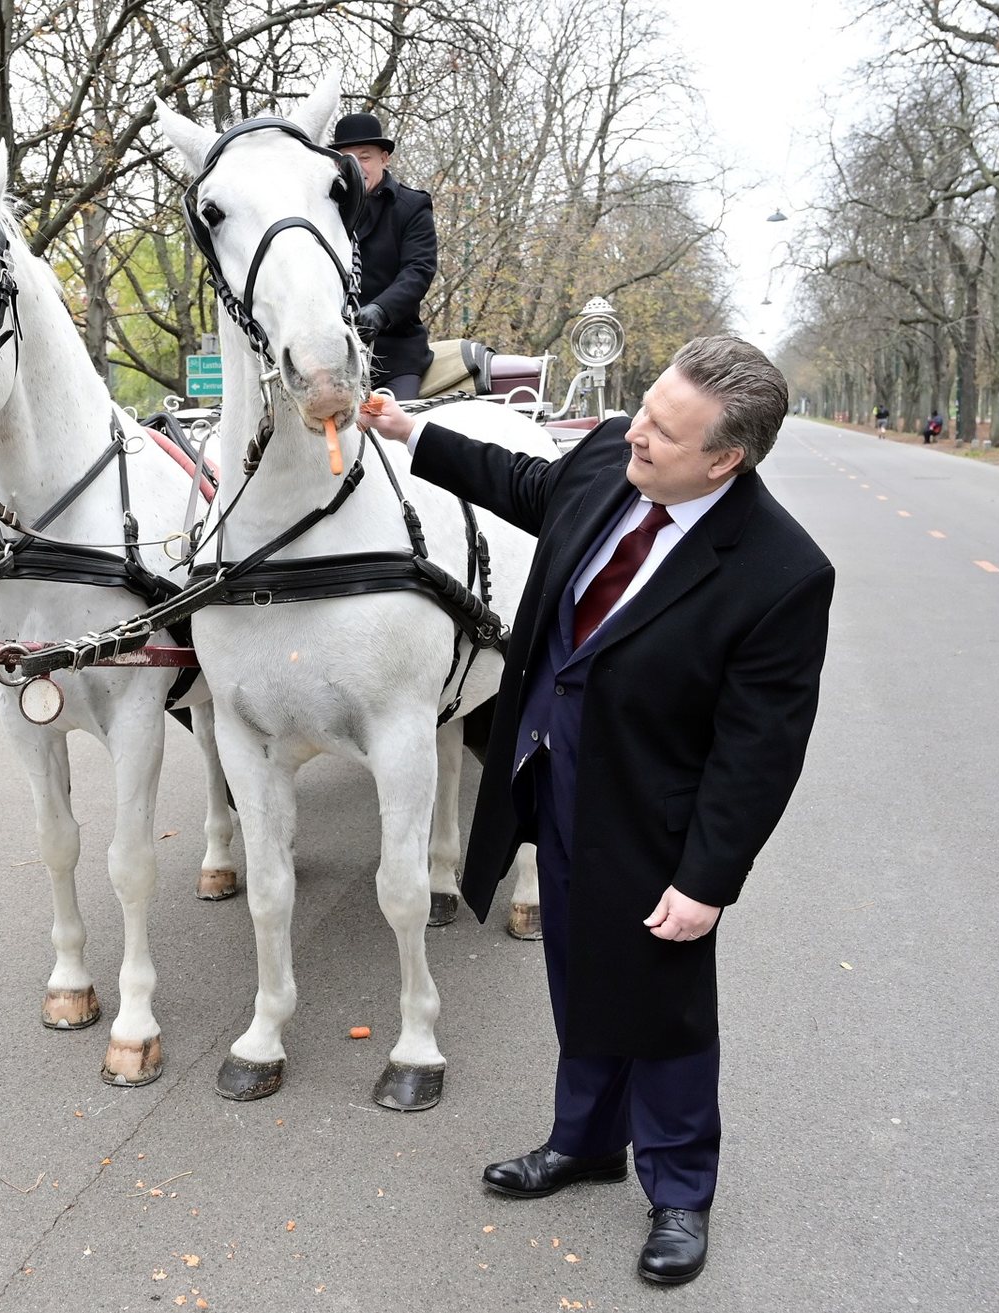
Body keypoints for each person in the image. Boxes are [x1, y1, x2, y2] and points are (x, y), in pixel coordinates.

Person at [361, 335, 834, 1285]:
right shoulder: (617, 459)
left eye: (666, 427)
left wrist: (707, 880)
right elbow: (528, 484)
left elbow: (760, 750)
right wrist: (411, 430)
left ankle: (680, 1189)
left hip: (655, 813)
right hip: (552, 772)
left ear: (726, 458)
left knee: (661, 1000)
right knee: (577, 974)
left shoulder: (781, 573)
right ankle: (584, 1141)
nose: (639, 432)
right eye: (647, 406)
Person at [330, 111, 438, 400]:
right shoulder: (321, 211)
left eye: (364, 157)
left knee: (396, 434)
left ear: (384, 158)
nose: (356, 167)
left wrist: (380, 310)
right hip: (331, 354)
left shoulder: (412, 206)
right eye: (346, 159)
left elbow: (418, 270)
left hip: (395, 354)